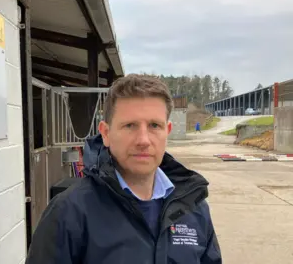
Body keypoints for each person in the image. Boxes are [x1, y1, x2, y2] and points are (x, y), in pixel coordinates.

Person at [25, 74, 222, 264]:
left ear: (167, 132)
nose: (143, 140)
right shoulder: (68, 213)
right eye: (130, 126)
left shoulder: (194, 208)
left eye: (154, 125)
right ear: (106, 133)